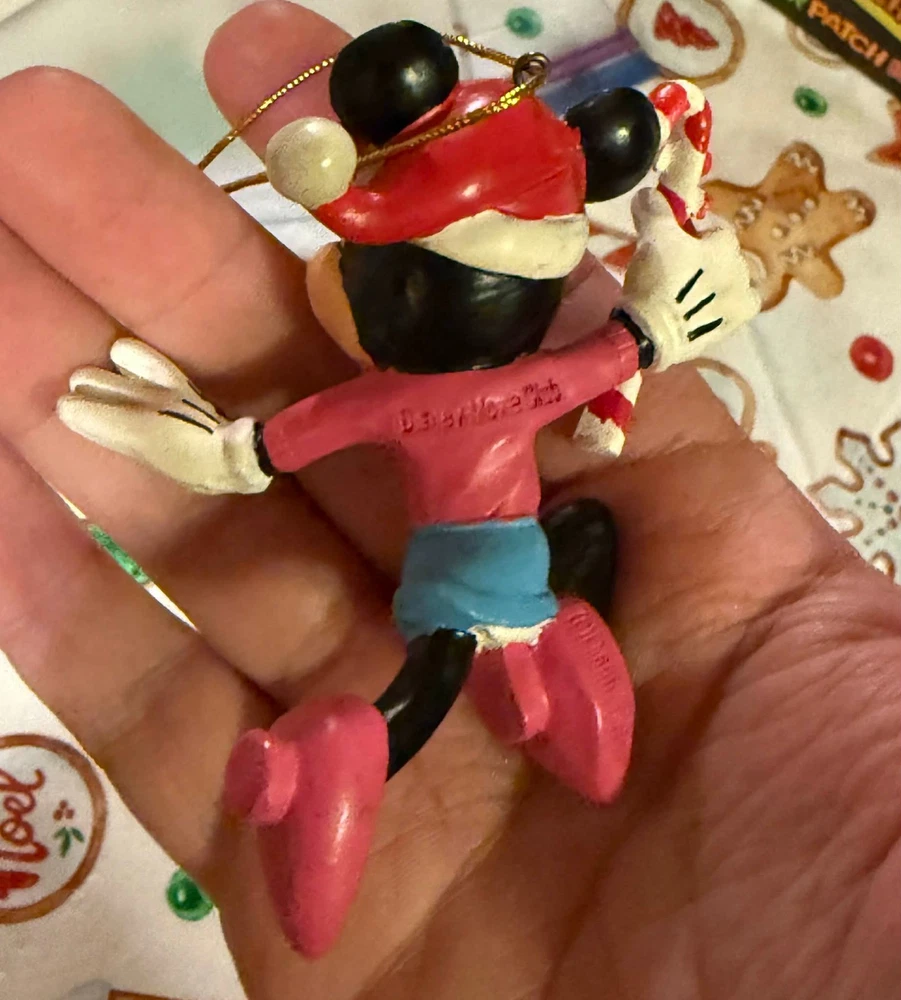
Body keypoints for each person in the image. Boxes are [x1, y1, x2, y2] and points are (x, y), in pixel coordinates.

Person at [0, 2, 897, 996]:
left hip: (456, 575)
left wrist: (193, 439)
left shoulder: (385, 400)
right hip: (493, 571)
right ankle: (378, 735)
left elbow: (254, 453)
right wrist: (676, 298)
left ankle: (353, 750)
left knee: (500, 636)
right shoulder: (526, 382)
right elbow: (635, 342)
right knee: (504, 636)